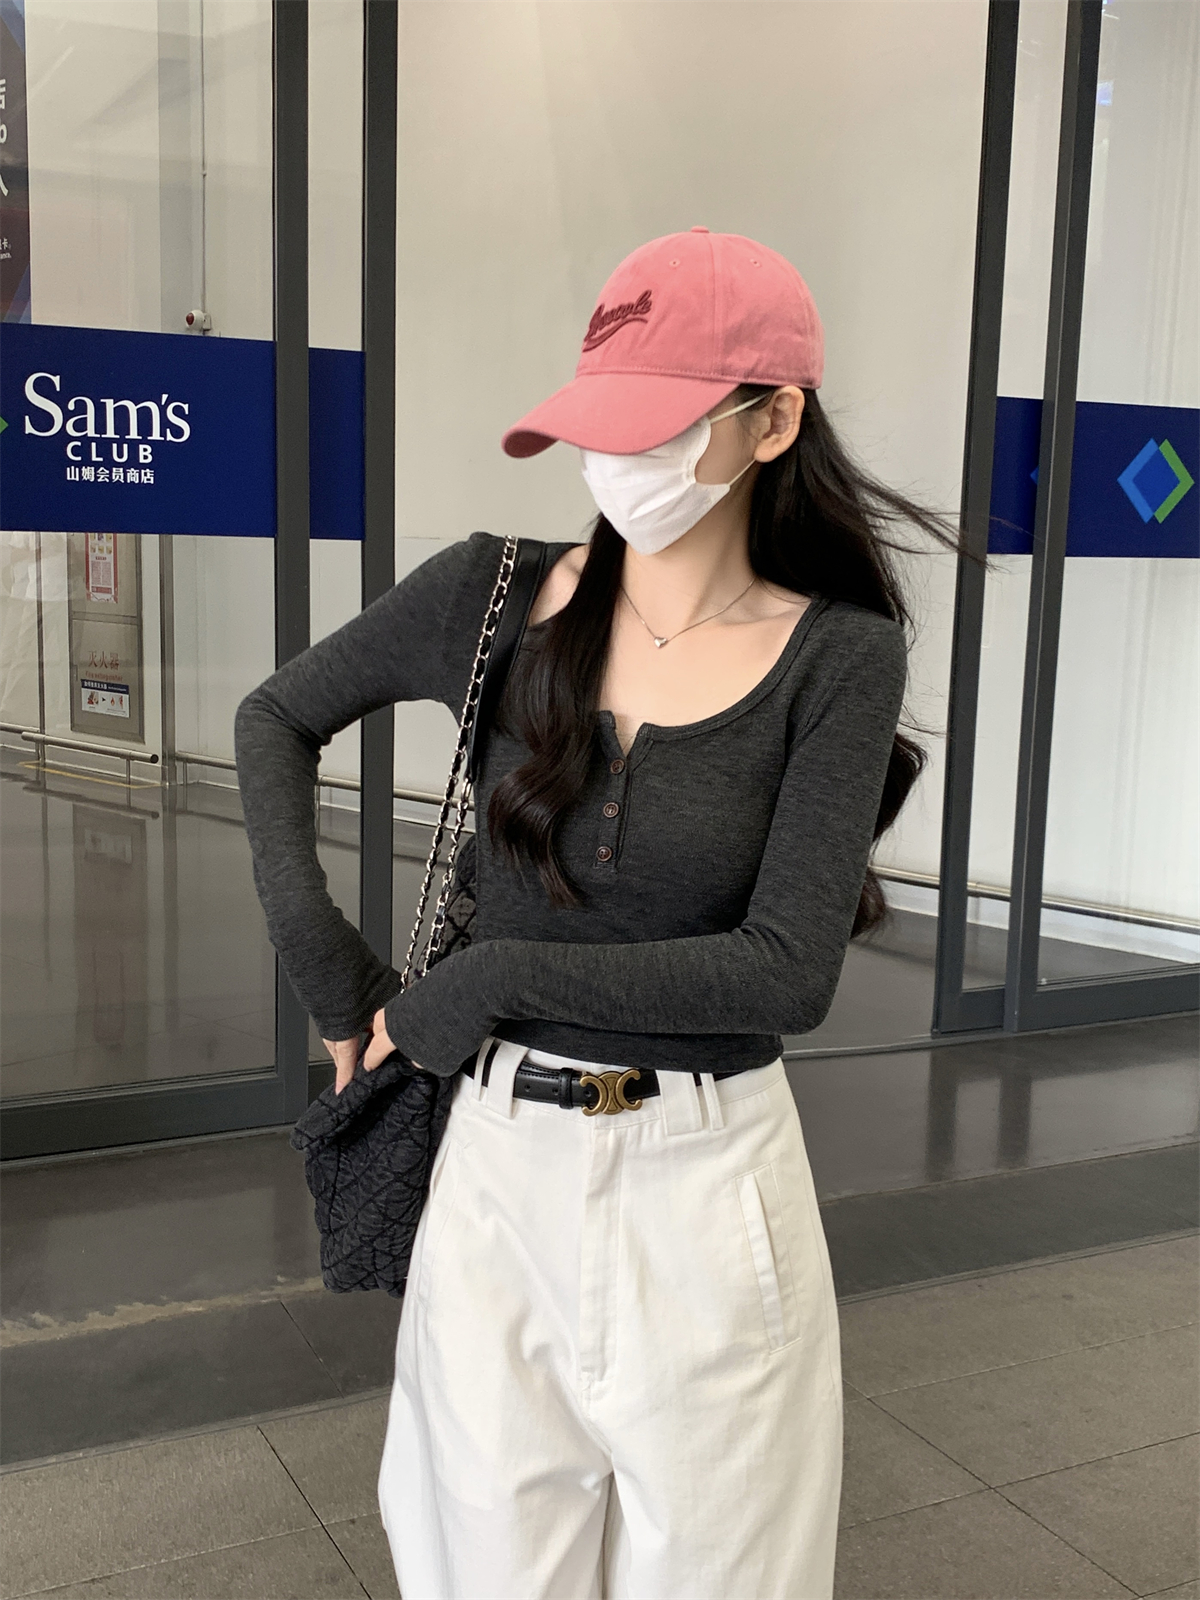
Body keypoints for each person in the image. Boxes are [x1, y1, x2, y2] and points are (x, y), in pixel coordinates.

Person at [234, 227, 957, 1600]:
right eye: (598, 423)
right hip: (496, 1176)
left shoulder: (840, 658)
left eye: (657, 424)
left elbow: (784, 974)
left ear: (773, 421)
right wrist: (330, 970)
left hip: (710, 1187)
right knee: (479, 1572)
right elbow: (275, 717)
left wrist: (487, 979)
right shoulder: (493, 596)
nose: (614, 459)